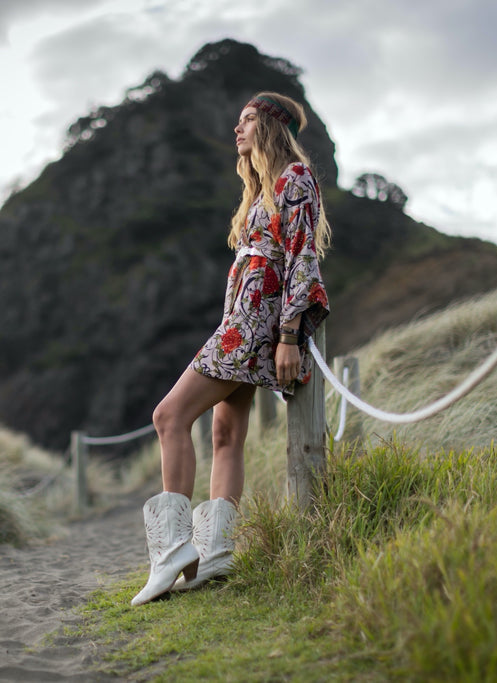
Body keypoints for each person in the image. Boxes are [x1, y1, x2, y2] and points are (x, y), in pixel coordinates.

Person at [131, 92, 331, 606]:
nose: (237, 130)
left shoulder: (295, 179)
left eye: (246, 120)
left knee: (168, 416)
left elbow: (303, 259)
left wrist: (289, 336)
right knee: (225, 432)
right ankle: (216, 551)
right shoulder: (261, 190)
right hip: (242, 320)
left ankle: (173, 549)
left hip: (254, 327)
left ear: (270, 125)